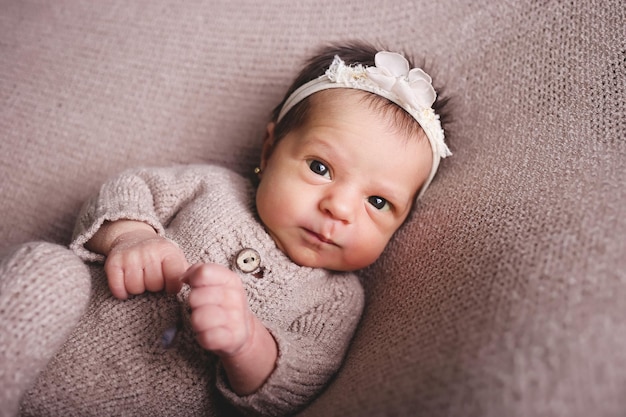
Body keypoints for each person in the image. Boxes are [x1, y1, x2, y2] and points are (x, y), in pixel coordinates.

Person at [1, 41, 451, 417]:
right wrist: (129, 236)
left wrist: (246, 343)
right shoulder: (215, 188)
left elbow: (298, 381)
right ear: (271, 147)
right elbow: (128, 188)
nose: (339, 208)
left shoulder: (337, 299)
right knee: (47, 266)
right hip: (45, 343)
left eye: (378, 202)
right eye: (320, 167)